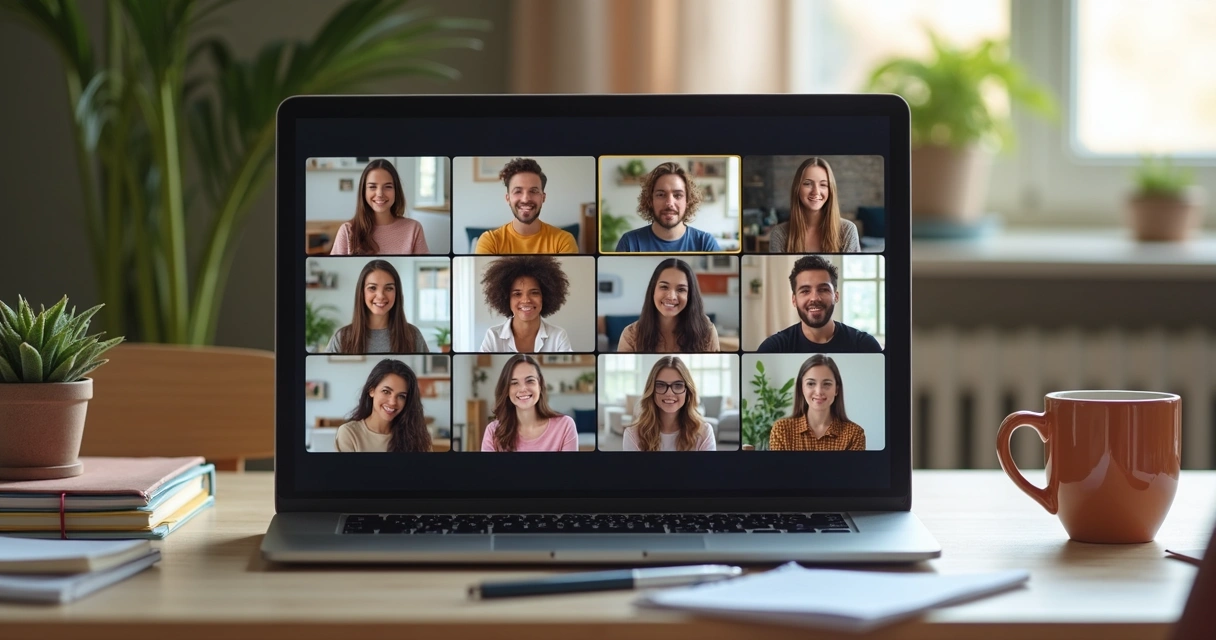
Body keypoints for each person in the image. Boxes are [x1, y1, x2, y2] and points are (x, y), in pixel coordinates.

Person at [756, 255, 881, 353]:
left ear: (836, 296)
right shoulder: (774, 348)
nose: (815, 298)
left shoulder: (865, 346)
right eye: (805, 291)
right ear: (794, 300)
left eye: (823, 289)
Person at [474, 158, 579, 254]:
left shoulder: (564, 240)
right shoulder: (490, 241)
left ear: (543, 198)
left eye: (533, 191)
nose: (525, 199)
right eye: (518, 191)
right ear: (508, 198)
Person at [614, 162, 722, 252]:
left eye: (678, 195)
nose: (669, 203)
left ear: (688, 201)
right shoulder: (630, 243)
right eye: (661, 195)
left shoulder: (705, 243)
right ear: (650, 200)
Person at [617, 258, 720, 352]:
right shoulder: (631, 335)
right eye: (664, 287)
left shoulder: (707, 331)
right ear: (653, 290)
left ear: (690, 295)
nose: (671, 296)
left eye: (681, 289)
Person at [326, 259, 429, 353]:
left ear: (397, 292)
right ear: (361, 292)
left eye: (388, 288)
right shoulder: (342, 338)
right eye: (372, 288)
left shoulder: (412, 335)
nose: (381, 296)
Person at [330, 159, 430, 255]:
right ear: (364, 191)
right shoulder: (347, 231)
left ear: (396, 191)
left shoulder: (414, 229)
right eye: (372, 187)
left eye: (388, 187)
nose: (380, 193)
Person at [481, 354, 579, 452]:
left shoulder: (565, 426)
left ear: (540, 385)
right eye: (514, 383)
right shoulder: (493, 431)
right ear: (506, 390)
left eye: (530, 381)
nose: (523, 389)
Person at [768, 354, 865, 451]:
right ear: (801, 388)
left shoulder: (854, 434)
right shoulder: (782, 430)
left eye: (826, 384)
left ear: (836, 390)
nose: (819, 391)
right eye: (810, 384)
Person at [479, 255, 573, 352]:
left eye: (534, 293)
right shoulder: (493, 337)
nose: (526, 300)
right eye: (517, 294)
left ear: (545, 297)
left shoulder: (558, 336)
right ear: (506, 298)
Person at [335, 358, 432, 452]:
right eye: (386, 391)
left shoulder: (418, 437)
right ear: (372, 390)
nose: (393, 402)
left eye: (401, 396)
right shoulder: (349, 433)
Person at [622, 356, 716, 451]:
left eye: (678, 385)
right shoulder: (633, 435)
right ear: (651, 390)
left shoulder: (704, 433)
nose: (669, 393)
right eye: (660, 385)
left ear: (687, 391)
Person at [767, 157, 859, 253]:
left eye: (823, 185)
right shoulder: (779, 234)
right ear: (797, 188)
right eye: (807, 184)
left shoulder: (848, 231)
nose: (816, 192)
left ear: (831, 190)